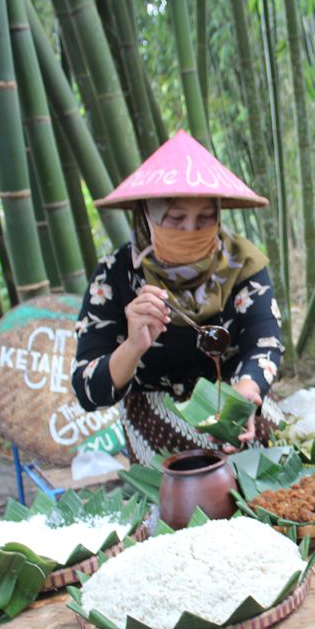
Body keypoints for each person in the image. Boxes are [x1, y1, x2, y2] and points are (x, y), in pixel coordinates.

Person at [72, 131, 283, 466]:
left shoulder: (243, 263)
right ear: (147, 217)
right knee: (172, 510)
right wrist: (133, 346)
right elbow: (87, 390)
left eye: (205, 218)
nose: (190, 230)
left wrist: (244, 393)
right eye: (175, 218)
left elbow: (265, 342)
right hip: (157, 432)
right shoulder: (114, 276)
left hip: (238, 414)